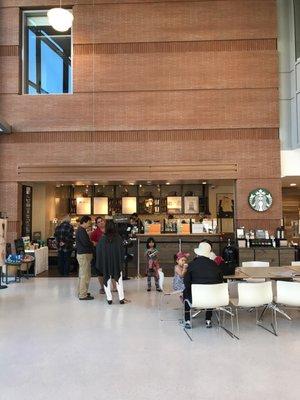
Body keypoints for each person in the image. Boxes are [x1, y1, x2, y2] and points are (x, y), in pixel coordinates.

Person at [183, 242, 223, 329]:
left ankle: (187, 321)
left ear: (198, 253)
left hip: (195, 298)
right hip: (212, 298)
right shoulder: (215, 265)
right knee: (211, 290)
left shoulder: (192, 265)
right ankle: (208, 319)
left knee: (185, 291)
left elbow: (186, 282)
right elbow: (220, 281)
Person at [96, 220, 127, 305]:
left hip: (106, 262)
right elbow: (122, 251)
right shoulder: (118, 238)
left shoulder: (102, 239)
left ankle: (109, 299)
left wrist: (101, 261)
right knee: (119, 279)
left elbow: (98, 251)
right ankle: (121, 298)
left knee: (107, 278)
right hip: (116, 262)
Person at [90, 216, 117, 294]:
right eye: (98, 222)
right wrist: (99, 244)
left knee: (112, 270)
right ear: (97, 224)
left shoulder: (110, 230)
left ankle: (115, 287)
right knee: (100, 271)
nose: (101, 223)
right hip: (100, 254)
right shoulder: (95, 232)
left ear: (104, 221)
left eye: (102, 221)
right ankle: (102, 288)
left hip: (110, 253)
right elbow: (92, 241)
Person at [76, 215, 94, 300]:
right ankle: (83, 295)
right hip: (84, 255)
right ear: (85, 222)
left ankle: (82, 291)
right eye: (89, 223)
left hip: (82, 254)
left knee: (82, 274)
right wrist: (92, 243)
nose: (89, 224)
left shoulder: (81, 230)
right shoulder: (81, 230)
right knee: (85, 275)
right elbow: (85, 243)